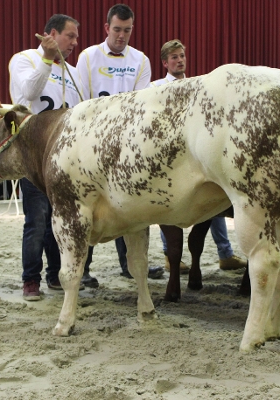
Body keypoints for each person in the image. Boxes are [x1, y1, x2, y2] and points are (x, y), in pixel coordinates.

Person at [76, 3, 163, 282]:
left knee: (130, 206)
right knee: (88, 206)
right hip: (93, 143)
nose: (122, 35)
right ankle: (83, 268)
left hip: (127, 146)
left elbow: (141, 106)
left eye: (127, 30)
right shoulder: (88, 57)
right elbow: (82, 102)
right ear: (106, 28)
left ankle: (131, 265)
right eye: (117, 29)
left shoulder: (141, 60)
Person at [9, 14, 88, 299]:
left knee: (62, 216)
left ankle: (55, 273)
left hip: (65, 156)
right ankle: (30, 279)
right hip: (35, 155)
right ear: (52, 34)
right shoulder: (24, 59)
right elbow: (26, 93)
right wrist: (46, 58)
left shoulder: (74, 71)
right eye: (70, 36)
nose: (75, 43)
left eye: (76, 38)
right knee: (37, 219)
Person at [150, 39, 247, 272]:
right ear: (165, 62)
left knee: (214, 200)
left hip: (195, 152)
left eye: (182, 55)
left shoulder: (199, 85)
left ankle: (225, 254)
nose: (180, 60)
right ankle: (171, 257)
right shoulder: (155, 88)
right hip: (171, 156)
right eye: (174, 57)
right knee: (167, 207)